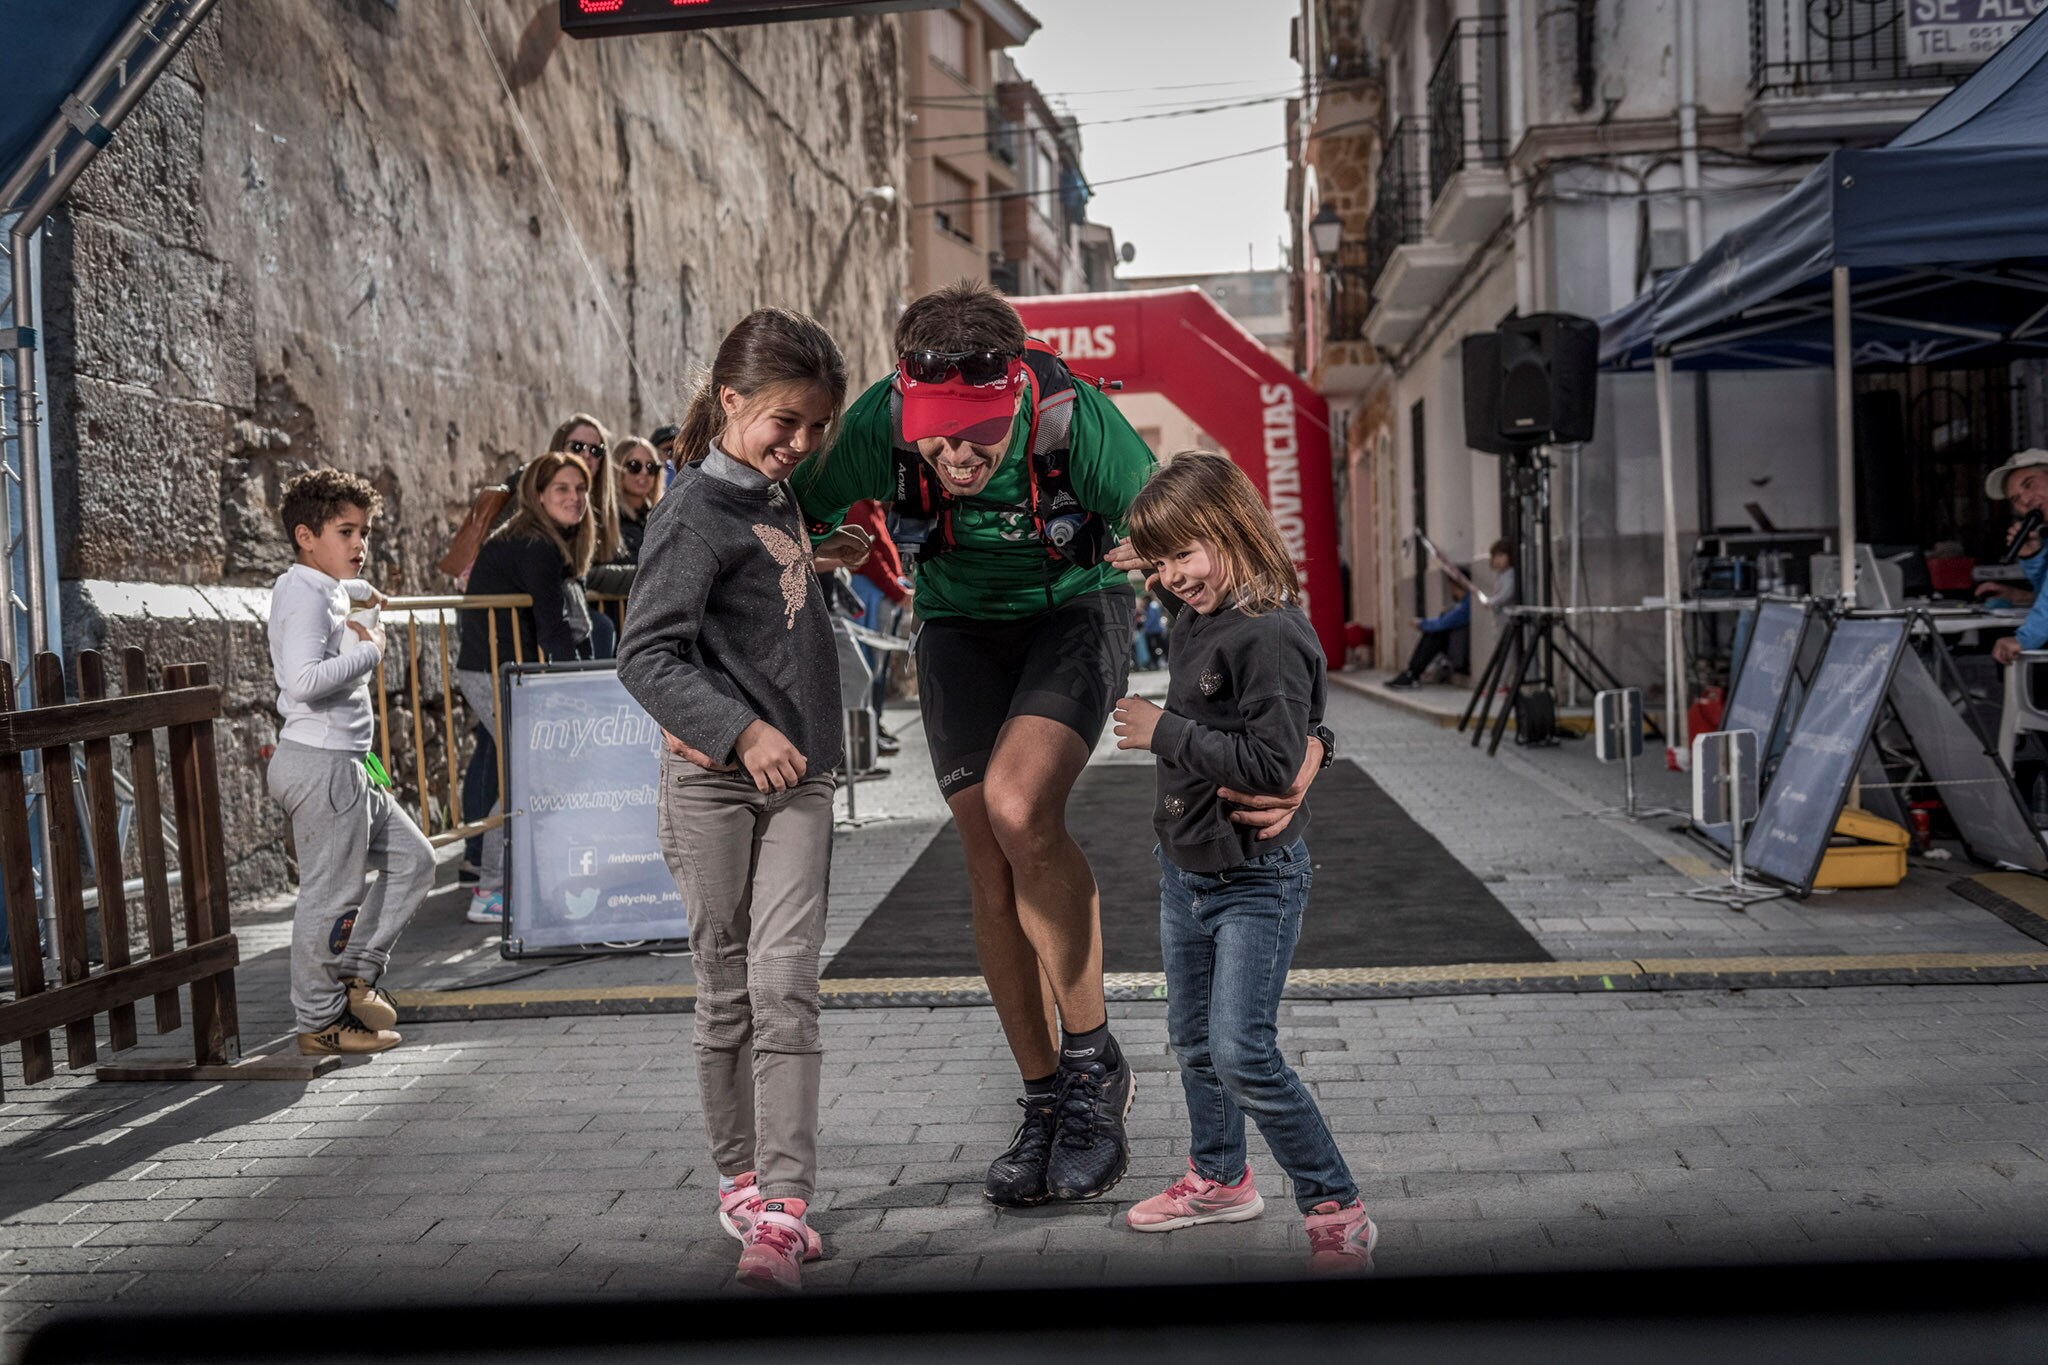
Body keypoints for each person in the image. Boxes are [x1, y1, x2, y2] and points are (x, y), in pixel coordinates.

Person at [791, 281, 1329, 1208]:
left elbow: (1245, 567)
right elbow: (776, 502)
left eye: (979, 435)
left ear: (1016, 395)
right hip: (959, 624)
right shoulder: (883, 418)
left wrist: (1309, 743)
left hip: (1075, 612)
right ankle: (1044, 1100)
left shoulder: (1077, 420)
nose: (956, 455)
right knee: (982, 853)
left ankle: (1092, 1068)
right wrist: (822, 537)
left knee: (1016, 803)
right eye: (937, 434)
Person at [616, 308, 849, 1292]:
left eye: (812, 429)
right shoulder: (686, 514)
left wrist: (815, 557)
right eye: (782, 423)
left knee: (785, 984)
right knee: (727, 996)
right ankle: (741, 1181)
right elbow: (645, 655)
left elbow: (753, 620)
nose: (796, 445)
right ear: (729, 402)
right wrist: (737, 729)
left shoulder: (776, 497)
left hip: (798, 783)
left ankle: (785, 1210)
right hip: (712, 789)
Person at [1107, 452, 1375, 1274]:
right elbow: (1148, 557)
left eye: (1183, 554)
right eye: (1159, 562)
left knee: (1241, 1051)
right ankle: (1220, 1179)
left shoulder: (1269, 630)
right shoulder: (1202, 608)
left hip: (1255, 878)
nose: (1171, 577)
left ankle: (1337, 1204)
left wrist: (1165, 732)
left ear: (1232, 528)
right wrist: (1141, 547)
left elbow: (1270, 759)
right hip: (1185, 868)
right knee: (1191, 1039)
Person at [266, 469, 434, 1057]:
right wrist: (369, 651)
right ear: (306, 536)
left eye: (364, 531)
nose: (360, 545)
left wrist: (364, 597)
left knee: (415, 861)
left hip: (350, 765)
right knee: (330, 897)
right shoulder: (303, 595)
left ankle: (354, 975)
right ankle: (318, 1021)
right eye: (346, 532)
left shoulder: (324, 587)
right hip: (323, 766)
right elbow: (304, 681)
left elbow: (341, 600)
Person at [455, 451, 598, 925]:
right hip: (494, 673)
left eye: (580, 490)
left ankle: (524, 880)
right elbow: (552, 629)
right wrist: (588, 686)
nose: (575, 498)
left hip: (508, 671)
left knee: (531, 775)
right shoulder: (535, 545)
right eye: (562, 489)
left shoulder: (538, 540)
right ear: (538, 496)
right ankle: (491, 890)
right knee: (528, 776)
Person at [1387, 578, 1470, 689]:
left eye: (1452, 587)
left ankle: (1412, 674)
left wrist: (1421, 623)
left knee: (1434, 633)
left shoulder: (1466, 604)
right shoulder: (1461, 604)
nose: (1451, 591)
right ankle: (1411, 673)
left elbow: (1443, 623)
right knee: (1432, 632)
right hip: (1456, 646)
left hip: (1460, 652)